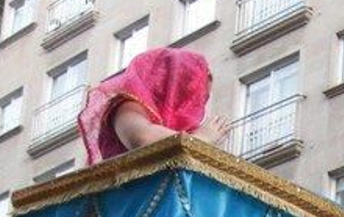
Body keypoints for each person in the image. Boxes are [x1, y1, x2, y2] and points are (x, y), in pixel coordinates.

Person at [77, 47, 230, 164]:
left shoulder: (183, 131)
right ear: (168, 83)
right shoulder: (127, 105)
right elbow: (141, 138)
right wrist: (200, 139)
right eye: (192, 94)